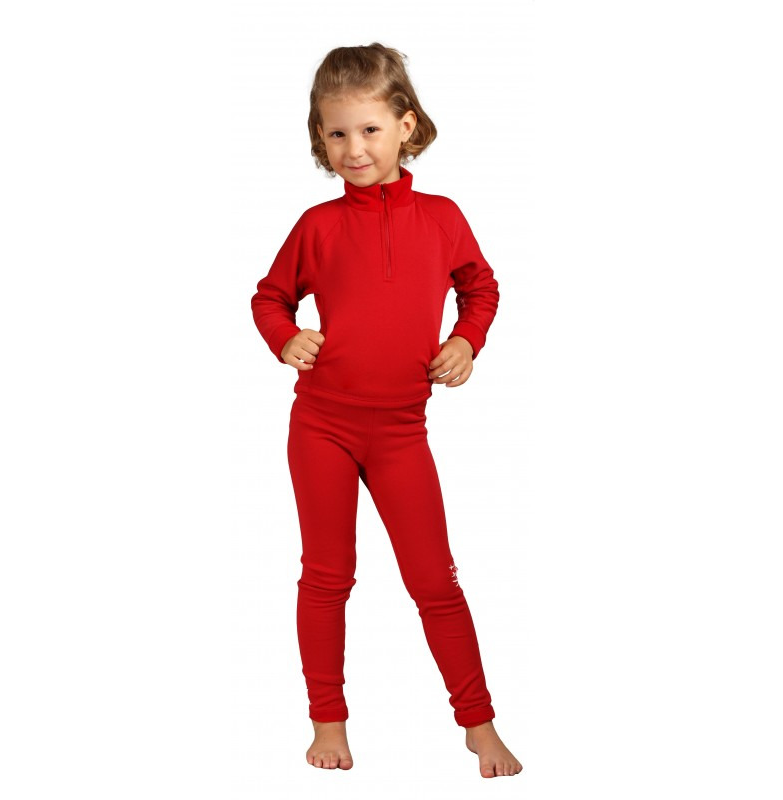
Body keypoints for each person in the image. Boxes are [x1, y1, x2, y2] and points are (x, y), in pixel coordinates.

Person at [251, 42, 522, 779]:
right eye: (336, 133)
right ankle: (327, 720)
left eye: (369, 129)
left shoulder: (441, 217)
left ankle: (479, 725)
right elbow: (270, 296)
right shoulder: (317, 225)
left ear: (406, 125)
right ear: (320, 136)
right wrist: (285, 337)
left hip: (402, 431)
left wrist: (466, 340)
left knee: (435, 581)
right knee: (327, 577)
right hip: (322, 426)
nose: (353, 149)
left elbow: (481, 286)